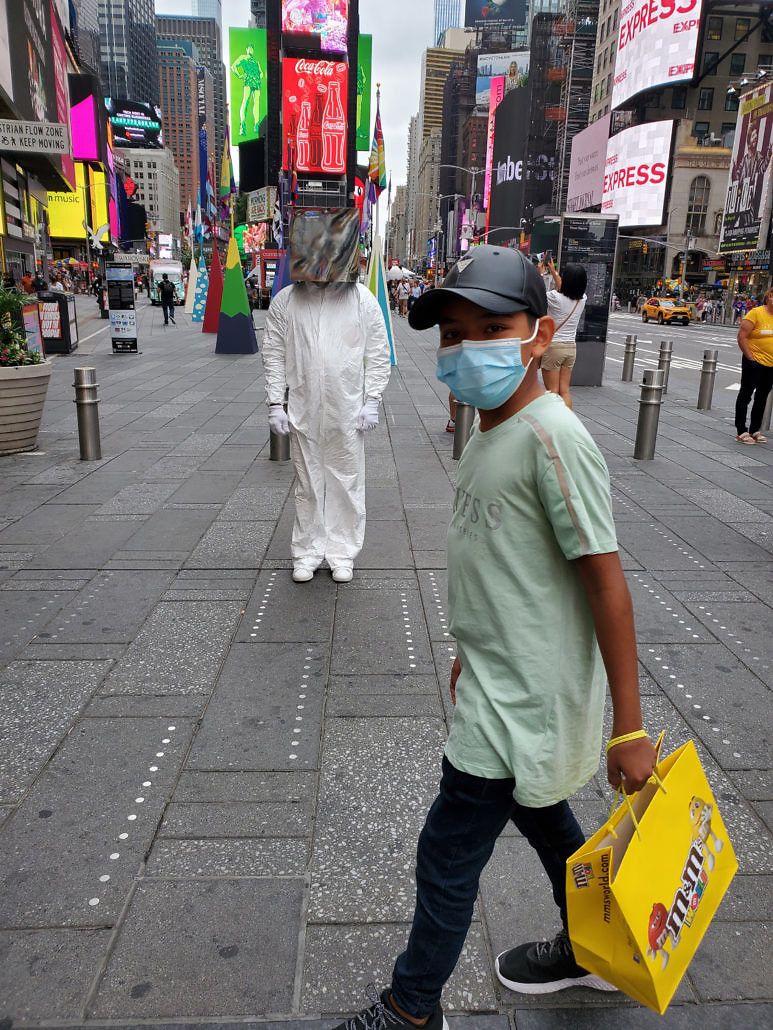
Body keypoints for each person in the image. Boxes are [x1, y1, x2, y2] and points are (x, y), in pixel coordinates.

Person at [333, 244, 656, 1030]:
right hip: (497, 681)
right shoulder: (486, 436)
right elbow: (503, 568)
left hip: (523, 699)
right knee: (547, 821)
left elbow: (606, 583)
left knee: (448, 851)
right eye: (451, 334)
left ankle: (413, 1008)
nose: (466, 348)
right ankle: (590, 944)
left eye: (490, 328)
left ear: (537, 335)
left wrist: (630, 724)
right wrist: (466, 652)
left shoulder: (553, 437)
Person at [262, 274, 391, 584]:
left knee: (346, 480)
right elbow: (274, 352)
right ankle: (307, 551)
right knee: (307, 481)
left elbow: (377, 349)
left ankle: (342, 552)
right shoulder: (288, 299)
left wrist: (372, 398)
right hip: (304, 405)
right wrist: (275, 402)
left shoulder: (360, 298)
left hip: (345, 406)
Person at [540, 260, 587, 410]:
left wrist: (541, 274)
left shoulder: (554, 298)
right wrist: (553, 272)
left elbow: (538, 292)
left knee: (552, 392)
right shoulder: (582, 299)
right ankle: (567, 423)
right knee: (564, 390)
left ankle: (554, 425)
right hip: (570, 349)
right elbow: (566, 289)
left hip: (554, 348)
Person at [734, 288, 773, 443]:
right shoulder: (756, 313)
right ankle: (741, 431)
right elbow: (741, 337)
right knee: (746, 394)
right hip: (754, 361)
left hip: (771, 364)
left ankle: (755, 430)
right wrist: (751, 358)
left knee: (762, 398)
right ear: (770, 296)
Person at [231, 42, 263, 138]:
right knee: (246, 101)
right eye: (250, 48)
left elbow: (261, 72)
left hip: (256, 81)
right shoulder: (243, 57)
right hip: (248, 79)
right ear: (247, 49)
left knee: (256, 102)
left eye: (252, 49)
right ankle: (242, 125)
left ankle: (257, 124)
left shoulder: (256, 61)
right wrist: (239, 75)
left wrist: (260, 77)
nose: (251, 50)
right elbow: (233, 66)